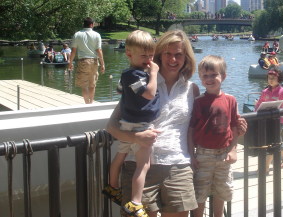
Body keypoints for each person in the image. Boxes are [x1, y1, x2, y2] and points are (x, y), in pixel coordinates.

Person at [106, 30, 247, 217]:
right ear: (158, 55)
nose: (173, 59)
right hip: (141, 165)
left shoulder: (192, 89)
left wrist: (235, 136)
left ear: (186, 57)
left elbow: (210, 121)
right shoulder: (141, 84)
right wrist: (135, 137)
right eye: (168, 54)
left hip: (179, 166)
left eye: (178, 54)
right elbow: (112, 126)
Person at [103, 30, 160, 217]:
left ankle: (112, 187)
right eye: (144, 55)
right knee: (143, 165)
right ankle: (135, 202)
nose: (149, 59)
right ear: (129, 53)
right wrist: (154, 73)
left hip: (128, 124)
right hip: (140, 125)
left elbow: (121, 91)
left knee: (120, 156)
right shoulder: (133, 75)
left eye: (151, 55)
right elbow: (149, 93)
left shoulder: (129, 74)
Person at [188, 55, 239, 217]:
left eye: (213, 75)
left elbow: (235, 126)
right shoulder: (198, 102)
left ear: (223, 76)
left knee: (221, 190)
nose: (209, 79)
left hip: (224, 154)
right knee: (200, 192)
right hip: (203, 154)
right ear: (200, 78)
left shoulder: (231, 100)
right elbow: (190, 130)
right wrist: (191, 155)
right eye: (205, 75)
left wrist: (233, 150)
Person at [254, 66, 283, 173]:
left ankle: (265, 167)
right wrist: (256, 112)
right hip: (267, 120)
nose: (270, 80)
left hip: (279, 120)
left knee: (272, 141)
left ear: (279, 79)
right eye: (269, 78)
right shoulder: (265, 91)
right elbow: (258, 104)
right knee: (277, 139)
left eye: (273, 78)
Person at [68, 17, 105, 104]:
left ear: (83, 24)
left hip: (83, 61)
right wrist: (102, 64)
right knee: (92, 85)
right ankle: (91, 103)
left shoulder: (77, 34)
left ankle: (87, 104)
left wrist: (70, 63)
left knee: (84, 86)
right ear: (91, 24)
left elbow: (73, 51)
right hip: (94, 61)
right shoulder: (97, 35)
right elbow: (99, 50)